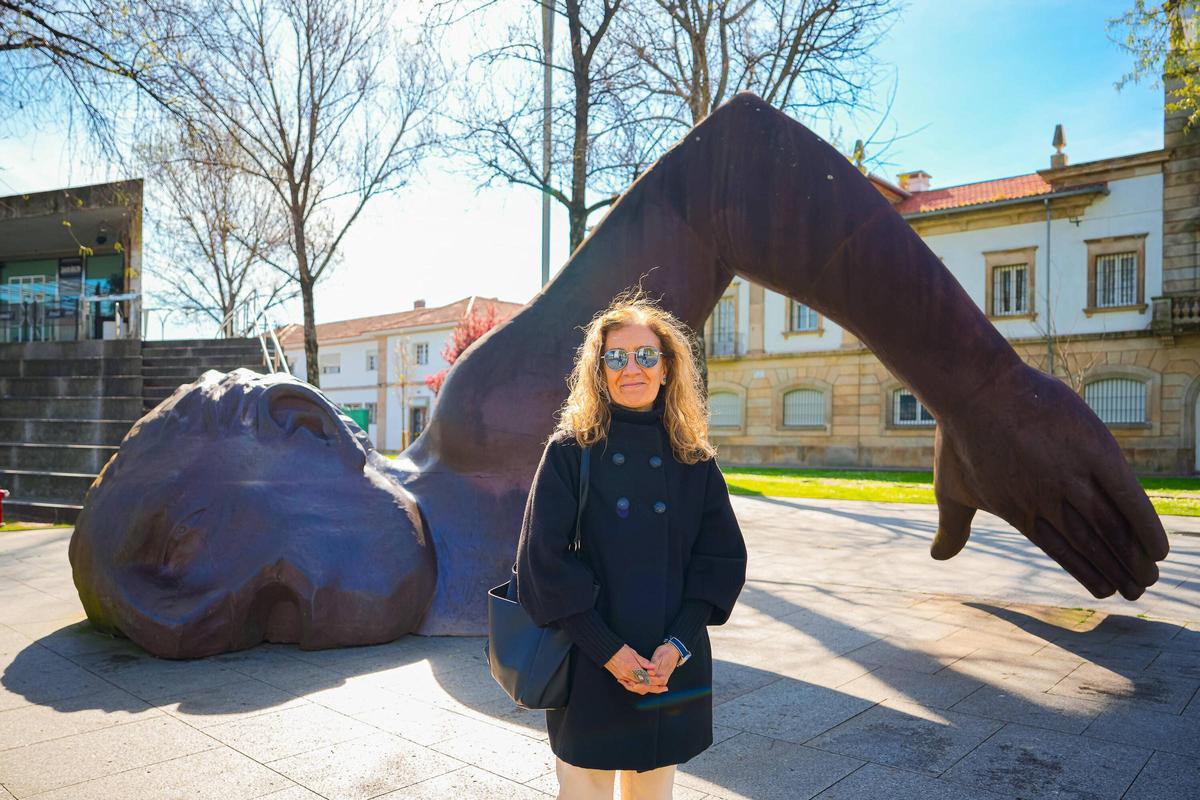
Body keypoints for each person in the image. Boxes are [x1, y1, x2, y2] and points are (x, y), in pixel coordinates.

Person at [515, 288, 748, 800]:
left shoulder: (694, 459)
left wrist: (677, 647)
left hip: (668, 665)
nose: (631, 368)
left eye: (646, 355)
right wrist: (611, 653)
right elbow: (542, 566)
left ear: (667, 368)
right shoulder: (569, 451)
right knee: (585, 791)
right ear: (599, 371)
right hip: (588, 662)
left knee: (651, 793)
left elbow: (720, 563)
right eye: (615, 357)